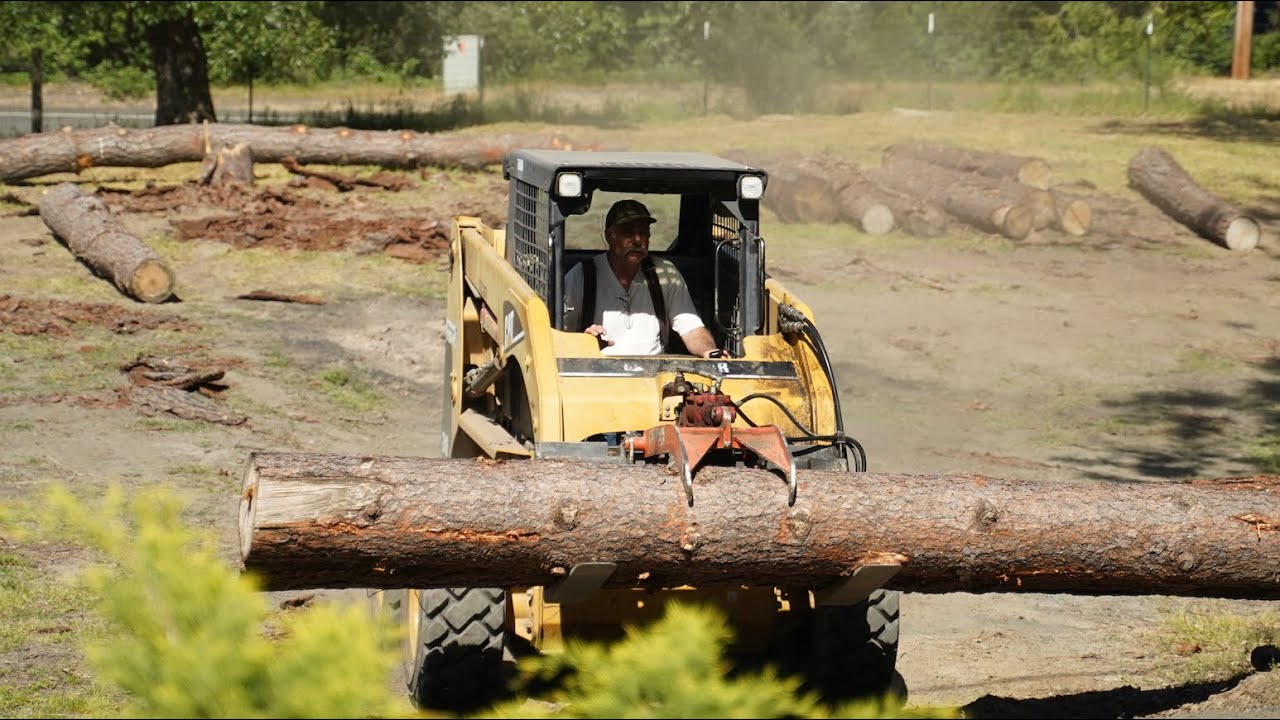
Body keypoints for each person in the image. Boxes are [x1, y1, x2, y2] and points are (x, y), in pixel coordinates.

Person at [563, 199, 722, 357]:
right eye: (628, 232)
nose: (638, 240)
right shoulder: (581, 276)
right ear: (609, 237)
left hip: (656, 375)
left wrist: (709, 351)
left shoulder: (666, 274)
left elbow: (692, 328)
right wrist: (585, 341)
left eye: (643, 232)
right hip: (595, 374)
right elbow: (561, 336)